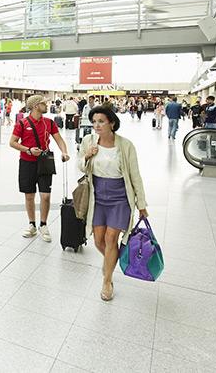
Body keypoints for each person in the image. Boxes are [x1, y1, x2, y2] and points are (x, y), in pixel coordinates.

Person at [78, 106, 148, 301]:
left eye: (101, 121)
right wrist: (87, 156)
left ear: (112, 123)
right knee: (98, 240)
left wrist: (141, 204)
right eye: (94, 122)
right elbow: (80, 164)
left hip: (120, 198)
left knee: (111, 238)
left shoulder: (126, 146)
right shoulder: (88, 141)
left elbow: (135, 176)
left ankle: (107, 280)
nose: (96, 125)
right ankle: (110, 260)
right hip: (97, 196)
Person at [9, 95, 71, 241]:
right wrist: (28, 150)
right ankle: (32, 224)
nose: (47, 105)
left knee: (45, 195)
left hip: (45, 162)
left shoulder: (49, 123)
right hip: (27, 162)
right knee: (29, 196)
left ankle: (43, 224)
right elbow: (12, 142)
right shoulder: (22, 123)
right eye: (44, 103)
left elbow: (59, 139)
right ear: (36, 106)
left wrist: (64, 152)